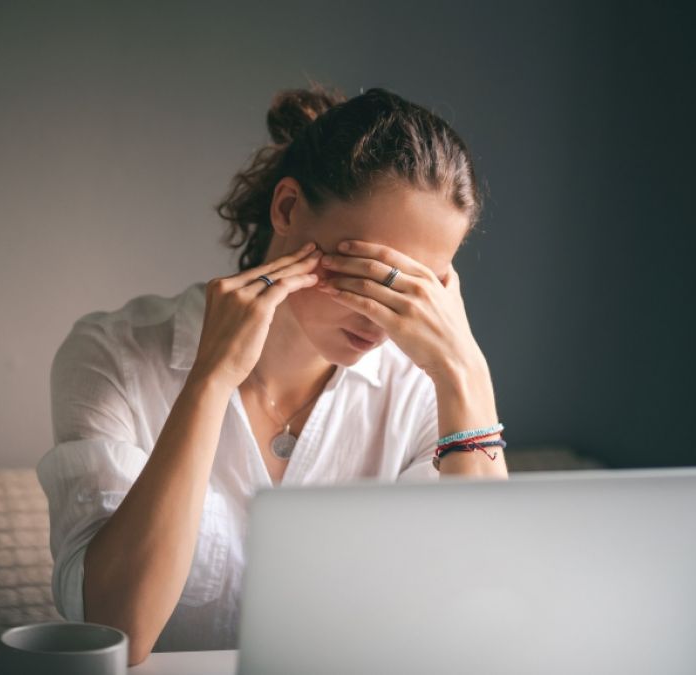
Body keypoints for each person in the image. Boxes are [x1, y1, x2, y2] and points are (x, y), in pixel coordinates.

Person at [37, 82, 508, 666]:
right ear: (287, 209)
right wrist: (210, 382)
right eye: (370, 275)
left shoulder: (423, 390)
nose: (387, 323)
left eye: (418, 292)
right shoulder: (116, 355)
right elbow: (117, 630)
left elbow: (484, 630)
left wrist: (466, 372)